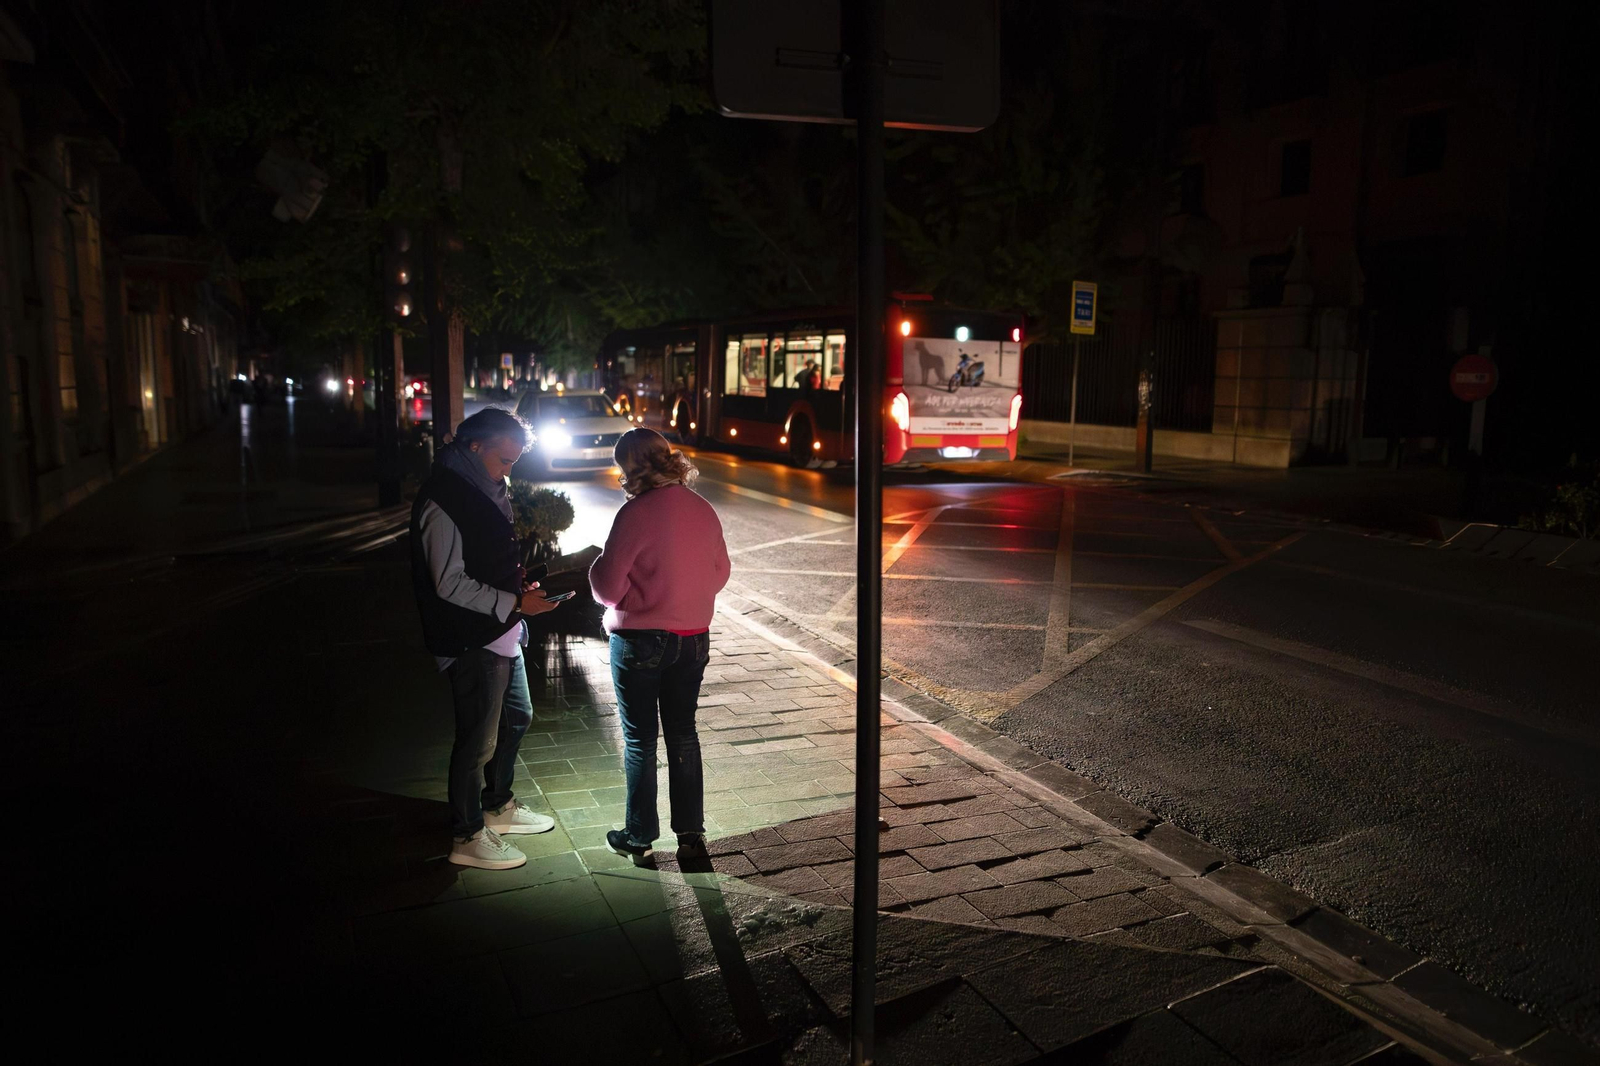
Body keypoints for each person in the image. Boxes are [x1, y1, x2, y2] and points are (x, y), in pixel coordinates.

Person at [411, 407, 561, 871]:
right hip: (470, 637)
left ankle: (497, 806)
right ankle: (467, 834)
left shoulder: (485, 485)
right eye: (504, 460)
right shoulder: (443, 497)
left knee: (517, 718)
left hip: (500, 630)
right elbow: (448, 582)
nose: (508, 471)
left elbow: (488, 556)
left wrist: (519, 585)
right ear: (474, 447)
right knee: (477, 741)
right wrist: (514, 602)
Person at [589, 428, 730, 866]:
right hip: (694, 638)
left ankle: (638, 836)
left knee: (640, 740)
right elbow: (721, 572)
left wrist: (594, 567)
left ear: (629, 467)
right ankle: (690, 835)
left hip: (640, 640)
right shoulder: (702, 508)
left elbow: (607, 589)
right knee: (684, 732)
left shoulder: (634, 514)